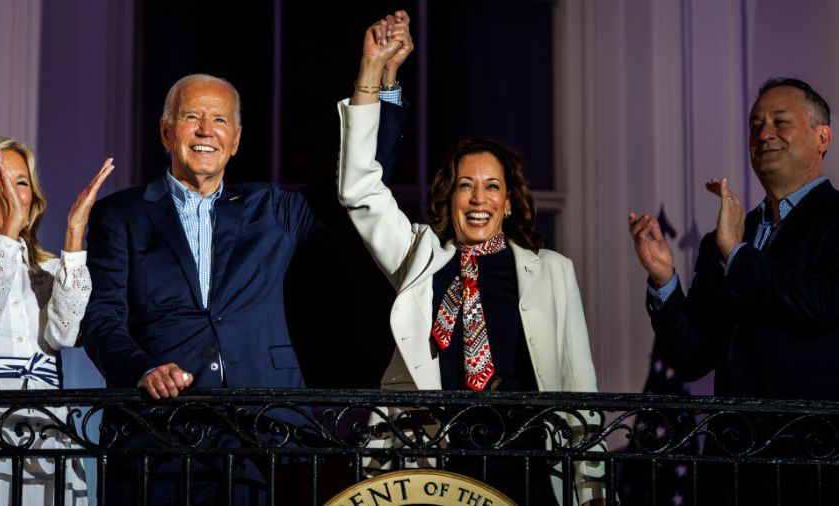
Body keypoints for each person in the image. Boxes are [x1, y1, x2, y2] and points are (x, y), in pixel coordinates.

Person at [80, 12, 413, 505]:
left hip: (259, 434)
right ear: (166, 131)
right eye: (192, 116)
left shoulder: (270, 210)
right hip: (156, 434)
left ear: (235, 141)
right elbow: (102, 320)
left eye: (220, 120)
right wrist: (142, 370)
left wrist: (376, 80)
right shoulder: (121, 214)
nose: (206, 129)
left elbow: (359, 178)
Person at [336, 20, 606, 506]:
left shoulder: (552, 271)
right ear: (450, 196)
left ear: (508, 202)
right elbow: (359, 189)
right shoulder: (420, 256)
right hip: (435, 466)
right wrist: (370, 73)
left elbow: (580, 388)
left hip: (527, 465)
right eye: (466, 185)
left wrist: (592, 488)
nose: (478, 198)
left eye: (492, 186)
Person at [629, 77, 839, 503]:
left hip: (815, 463)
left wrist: (738, 254)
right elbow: (693, 357)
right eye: (755, 125)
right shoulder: (723, 240)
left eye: (780, 122)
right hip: (733, 466)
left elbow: (823, 304)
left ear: (822, 137)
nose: (764, 134)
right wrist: (664, 280)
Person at [0, 137, 113, 505]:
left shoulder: (47, 269)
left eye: (20, 182)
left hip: (43, 426)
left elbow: (65, 334)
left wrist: (74, 236)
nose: (11, 193)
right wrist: (8, 236)